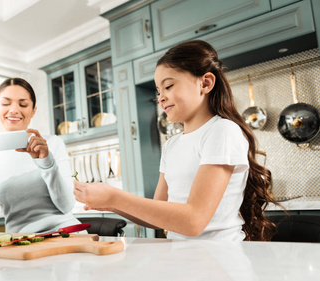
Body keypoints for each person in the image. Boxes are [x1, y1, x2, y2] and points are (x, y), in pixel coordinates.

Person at [74, 40, 279, 241]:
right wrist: (112, 205)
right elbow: (159, 218)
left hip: (221, 259)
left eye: (169, 86)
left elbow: (193, 221)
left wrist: (114, 196)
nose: (161, 97)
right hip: (183, 259)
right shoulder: (172, 145)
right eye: (158, 91)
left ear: (205, 83)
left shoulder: (222, 130)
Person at [0, 77, 82, 233]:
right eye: (6, 103)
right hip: (21, 243)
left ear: (33, 110)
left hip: (66, 234)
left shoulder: (52, 144)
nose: (14, 110)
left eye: (23, 104)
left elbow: (66, 205)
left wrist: (46, 162)